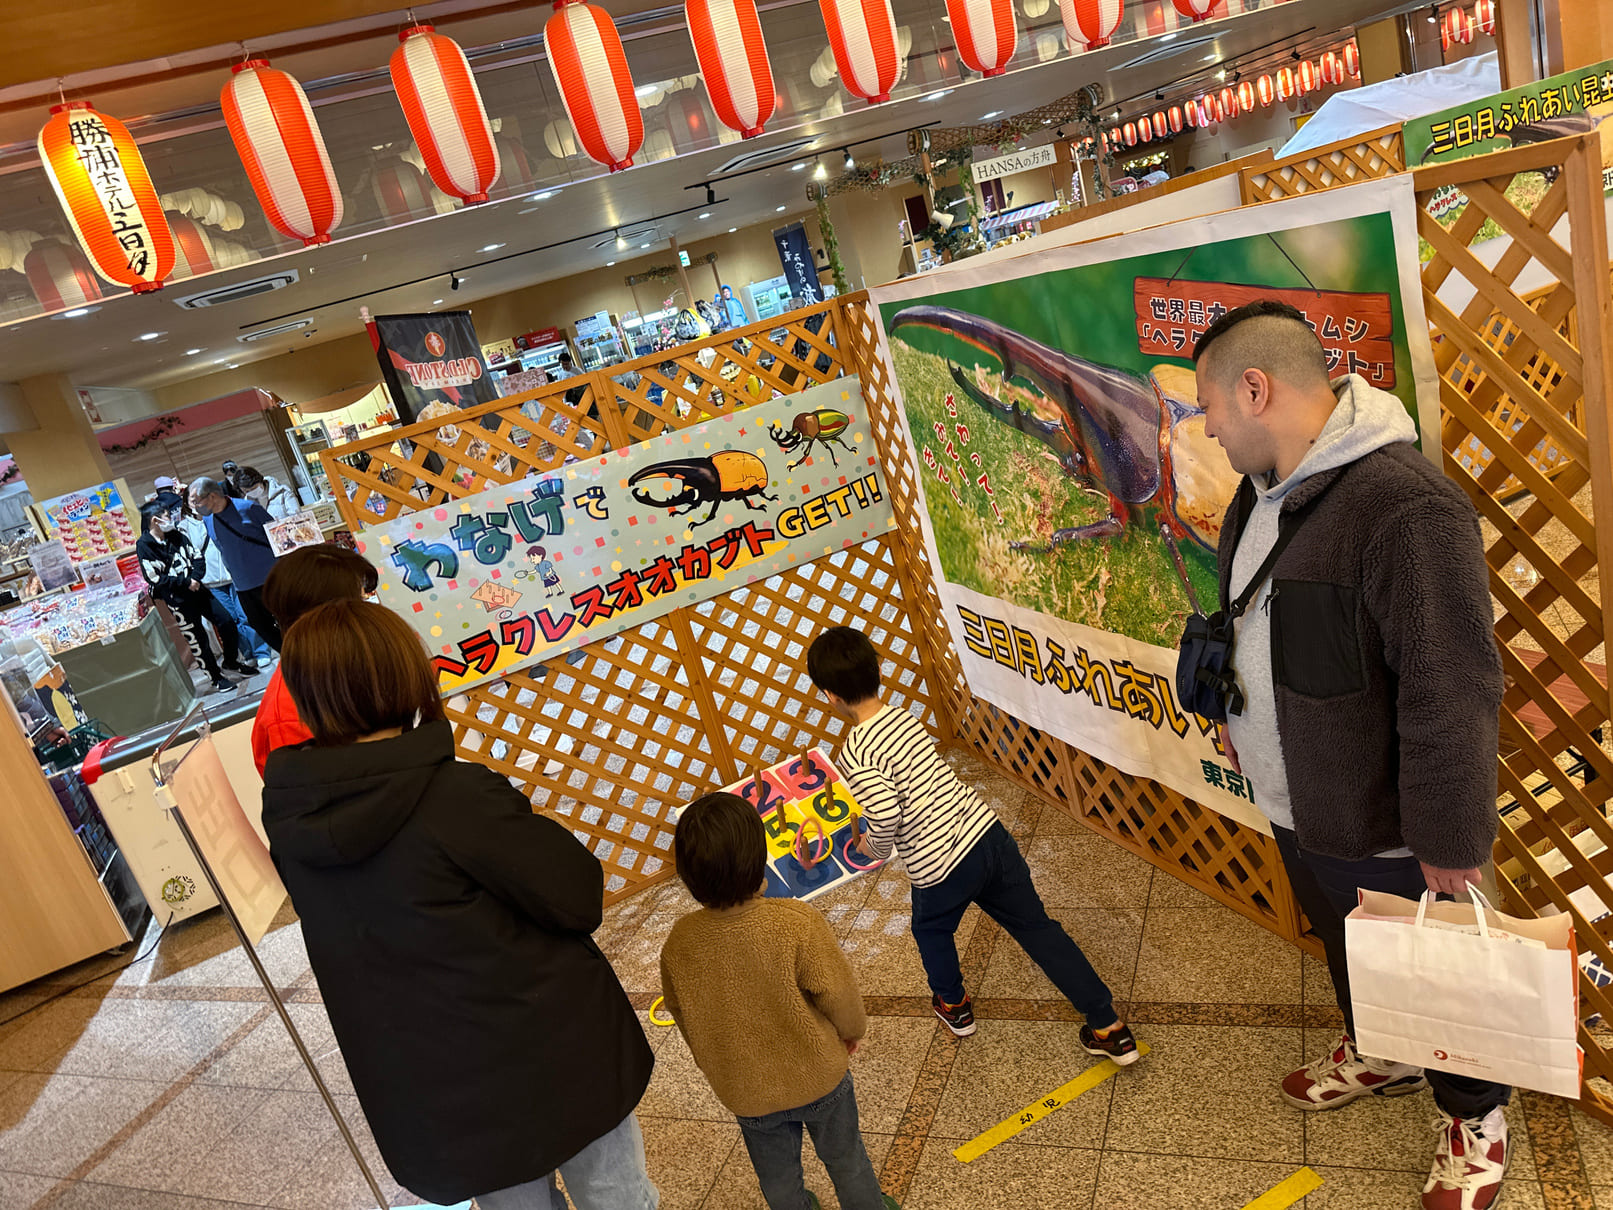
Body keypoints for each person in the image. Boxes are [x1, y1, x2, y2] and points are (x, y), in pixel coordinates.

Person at [1193, 300, 1508, 1210]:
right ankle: (1382, 1051)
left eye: (1213, 408)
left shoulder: (1406, 508)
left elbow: (1451, 688)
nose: (1207, 430)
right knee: (1345, 950)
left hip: (1386, 821)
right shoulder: (1261, 496)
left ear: (1256, 389)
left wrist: (1450, 839)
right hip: (1299, 805)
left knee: (1437, 980)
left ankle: (1475, 1122)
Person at [261, 600, 656, 1209]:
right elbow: (577, 896)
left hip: (436, 1098)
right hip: (554, 1060)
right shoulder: (453, 796)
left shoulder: (291, 822)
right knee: (616, 1197)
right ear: (402, 675)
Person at [805, 627, 1140, 1065]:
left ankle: (954, 1006)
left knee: (931, 930)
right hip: (987, 836)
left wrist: (873, 848)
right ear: (877, 671)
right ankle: (1108, 1026)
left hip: (939, 865)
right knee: (1038, 929)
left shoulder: (856, 751)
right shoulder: (903, 717)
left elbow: (885, 814)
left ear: (830, 695)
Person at [660, 793, 895, 1210]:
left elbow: (685, 1016)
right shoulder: (795, 922)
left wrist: (717, 1064)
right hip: (819, 1075)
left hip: (747, 1089)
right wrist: (850, 1033)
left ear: (687, 874)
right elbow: (837, 993)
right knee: (847, 1161)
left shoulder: (679, 943)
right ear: (759, 857)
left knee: (779, 1179)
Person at [251, 544, 377, 776]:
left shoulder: (338, 664)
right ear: (325, 615)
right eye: (358, 602)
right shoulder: (292, 715)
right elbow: (324, 802)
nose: (368, 610)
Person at [135, 499, 255, 693]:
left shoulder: (176, 535)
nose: (171, 519)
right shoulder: (144, 545)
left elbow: (197, 557)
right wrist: (185, 583)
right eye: (166, 516)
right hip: (178, 600)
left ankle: (231, 662)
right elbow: (154, 577)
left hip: (199, 589)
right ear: (155, 520)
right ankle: (215, 678)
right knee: (198, 639)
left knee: (227, 621)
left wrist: (195, 578)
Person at [174, 490, 273, 667]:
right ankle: (247, 653)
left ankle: (261, 651)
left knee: (246, 616)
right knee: (230, 619)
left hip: (234, 575)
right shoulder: (184, 528)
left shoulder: (218, 516)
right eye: (192, 501)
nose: (197, 504)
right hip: (210, 581)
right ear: (187, 504)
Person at [189, 477, 283, 652]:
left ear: (211, 496)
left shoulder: (248, 508)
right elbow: (222, 548)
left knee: (287, 619)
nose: (195, 506)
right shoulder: (208, 519)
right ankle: (288, 654)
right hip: (243, 585)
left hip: (272, 578)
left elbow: (278, 536)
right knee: (260, 626)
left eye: (197, 501)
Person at [235, 464, 299, 519]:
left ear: (259, 480)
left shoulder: (283, 493)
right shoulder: (247, 503)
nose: (251, 492)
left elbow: (297, 516)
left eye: (253, 488)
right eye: (246, 491)